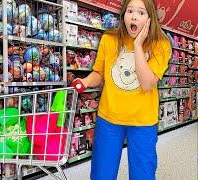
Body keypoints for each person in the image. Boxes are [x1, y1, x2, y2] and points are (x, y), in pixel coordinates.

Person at [71, 0, 172, 179]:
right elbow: (99, 73)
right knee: (102, 173)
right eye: (130, 11)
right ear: (123, 15)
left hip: (143, 121)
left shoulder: (161, 44)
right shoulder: (109, 39)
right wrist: (85, 81)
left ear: (150, 18)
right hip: (109, 117)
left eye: (141, 13)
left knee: (143, 174)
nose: (134, 16)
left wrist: (138, 46)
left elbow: (148, 83)